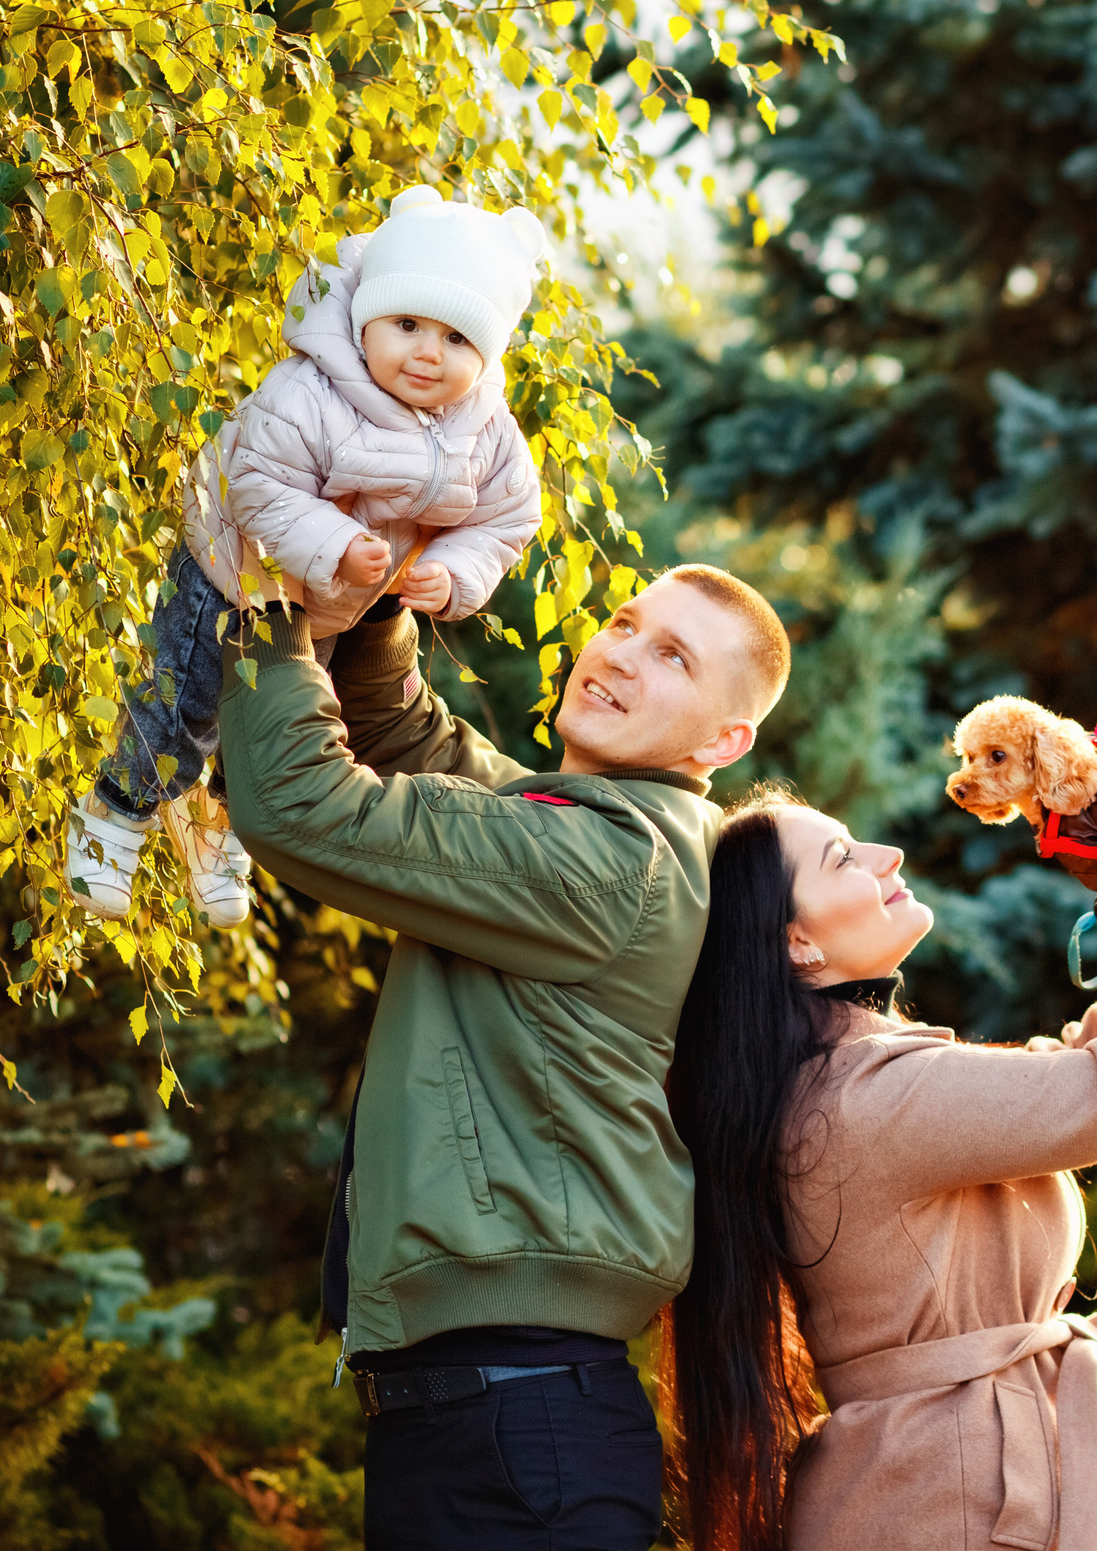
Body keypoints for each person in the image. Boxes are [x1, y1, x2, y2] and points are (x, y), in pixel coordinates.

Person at [216, 564, 793, 1549]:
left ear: (722, 743)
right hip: (498, 1417)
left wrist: (264, 596)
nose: (618, 654)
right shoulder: (599, 829)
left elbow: (302, 806)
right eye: (624, 622)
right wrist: (377, 593)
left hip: (514, 1430)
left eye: (672, 658)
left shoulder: (612, 863)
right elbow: (411, 744)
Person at [663, 757, 1097, 1551]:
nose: (886, 854)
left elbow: (1067, 1072)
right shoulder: (871, 1097)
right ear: (796, 943)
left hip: (934, 1483)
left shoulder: (844, 1083)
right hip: (953, 1496)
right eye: (842, 857)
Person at [65, 185, 552, 927]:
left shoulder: (486, 429)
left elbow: (508, 517)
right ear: (365, 320)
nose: (428, 352)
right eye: (409, 323)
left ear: (486, 354)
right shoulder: (311, 389)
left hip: (326, 607)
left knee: (275, 724)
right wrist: (336, 544)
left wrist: (454, 573)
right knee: (181, 702)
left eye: (458, 340)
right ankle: (113, 815)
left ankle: (213, 828)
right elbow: (257, 482)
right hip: (231, 573)